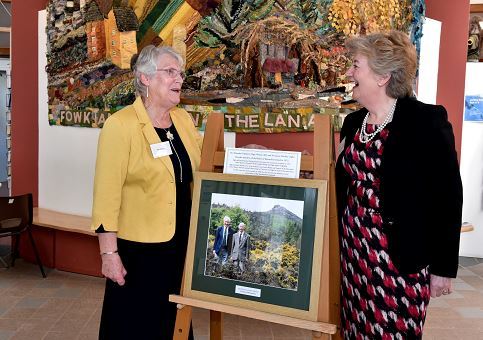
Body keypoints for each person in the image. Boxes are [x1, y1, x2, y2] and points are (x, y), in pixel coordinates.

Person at [336, 31, 463, 339]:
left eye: (356, 65)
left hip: (399, 262)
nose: (350, 73)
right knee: (356, 333)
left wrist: (443, 268)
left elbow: (448, 196)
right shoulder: (353, 123)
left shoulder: (426, 121)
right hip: (353, 255)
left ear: (382, 76)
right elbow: (342, 181)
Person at [91, 45, 202, 340]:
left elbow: (204, 167)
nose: (178, 78)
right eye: (169, 72)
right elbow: (106, 196)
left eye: (180, 73)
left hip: (178, 245)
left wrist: (249, 157)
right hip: (138, 252)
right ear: (145, 78)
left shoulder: (183, 121)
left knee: (173, 322)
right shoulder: (121, 125)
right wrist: (108, 254)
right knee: (135, 325)